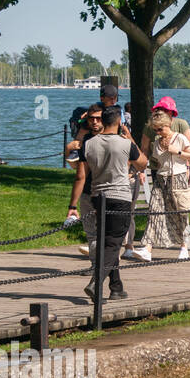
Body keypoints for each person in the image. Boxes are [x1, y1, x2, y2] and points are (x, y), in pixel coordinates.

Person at [78, 105, 148, 302]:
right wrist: (130, 138)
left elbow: (82, 169)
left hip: (97, 196)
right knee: (114, 243)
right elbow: (142, 163)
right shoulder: (125, 144)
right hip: (119, 197)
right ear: (119, 122)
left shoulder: (89, 143)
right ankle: (96, 282)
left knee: (106, 241)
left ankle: (116, 287)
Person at [141, 108, 190, 257]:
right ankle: (147, 248)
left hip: (177, 177)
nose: (158, 132)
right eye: (155, 129)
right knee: (154, 211)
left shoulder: (179, 138)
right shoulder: (157, 141)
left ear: (168, 125)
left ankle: (184, 246)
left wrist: (177, 151)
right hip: (161, 178)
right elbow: (157, 160)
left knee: (180, 212)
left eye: (160, 129)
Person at [64, 105, 105, 258]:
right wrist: (68, 150)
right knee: (92, 234)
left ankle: (104, 268)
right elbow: (78, 171)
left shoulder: (116, 139)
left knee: (106, 234)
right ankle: (97, 267)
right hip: (88, 191)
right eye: (91, 119)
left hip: (109, 193)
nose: (94, 122)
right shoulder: (85, 141)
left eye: (98, 118)